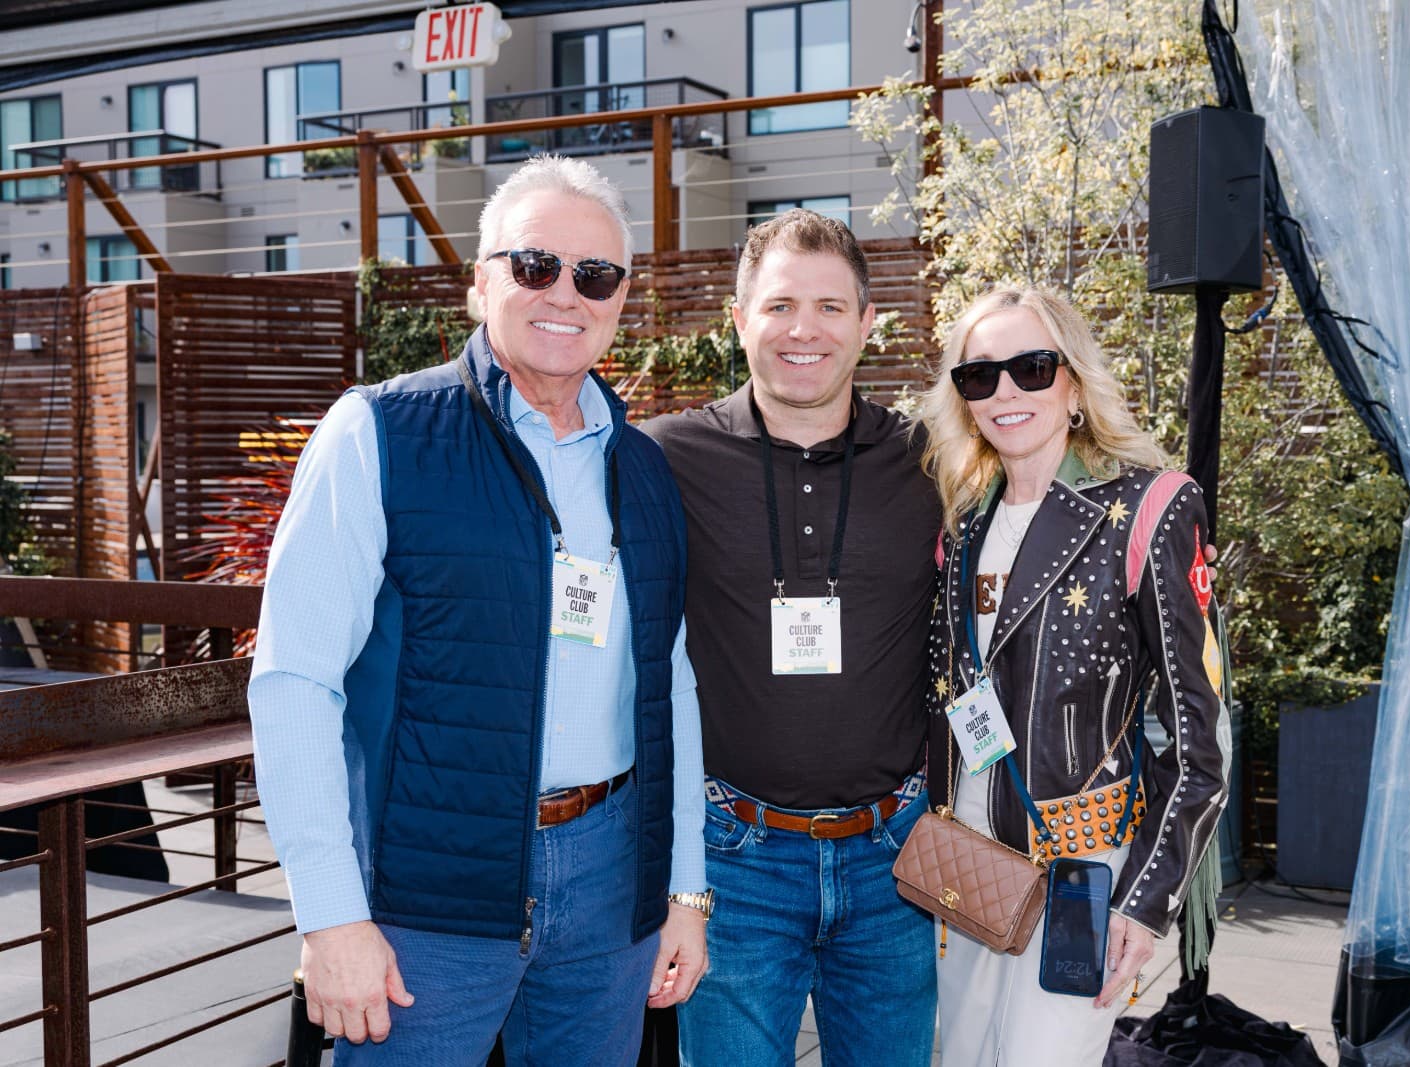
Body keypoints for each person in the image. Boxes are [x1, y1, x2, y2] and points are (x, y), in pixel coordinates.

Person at [249, 155, 711, 1066]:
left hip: (611, 880)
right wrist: (331, 915)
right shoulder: (378, 433)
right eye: (535, 265)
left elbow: (671, 683)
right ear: (480, 282)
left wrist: (684, 890)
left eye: (596, 275)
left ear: (621, 299)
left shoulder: (645, 467)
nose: (565, 293)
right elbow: (294, 680)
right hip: (428, 891)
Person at [643, 210, 942, 1066]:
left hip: (894, 861)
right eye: (779, 306)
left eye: (829, 307)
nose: (803, 330)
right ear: (739, 320)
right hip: (733, 861)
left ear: (867, 322)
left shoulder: (931, 461)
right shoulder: (664, 457)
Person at [917, 286, 1229, 1065]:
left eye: (1031, 367)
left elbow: (1201, 739)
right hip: (966, 868)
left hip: (1082, 872)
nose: (1006, 392)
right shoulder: (962, 525)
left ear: (1075, 382)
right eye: (979, 375)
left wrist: (1147, 900)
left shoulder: (1149, 508)